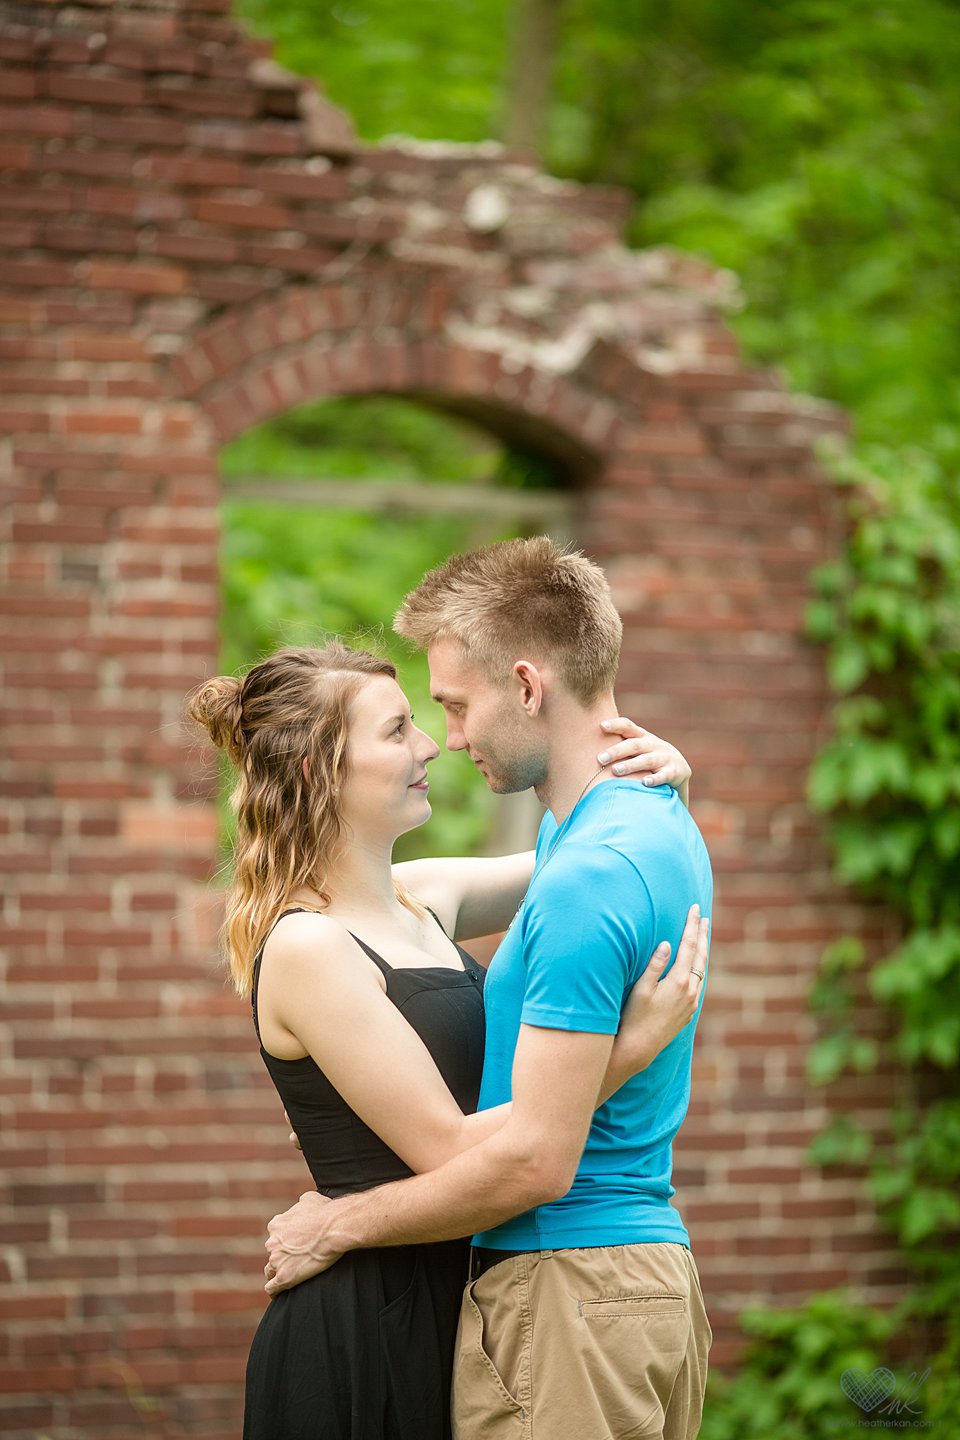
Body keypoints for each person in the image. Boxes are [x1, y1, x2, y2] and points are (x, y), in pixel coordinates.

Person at [188, 639, 704, 1440]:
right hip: (370, 1323)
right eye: (396, 731)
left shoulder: (422, 896)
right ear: (320, 771)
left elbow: (590, 855)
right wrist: (625, 1052)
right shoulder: (308, 948)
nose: (431, 743)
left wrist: (656, 775)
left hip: (465, 1295)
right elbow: (447, 1149)